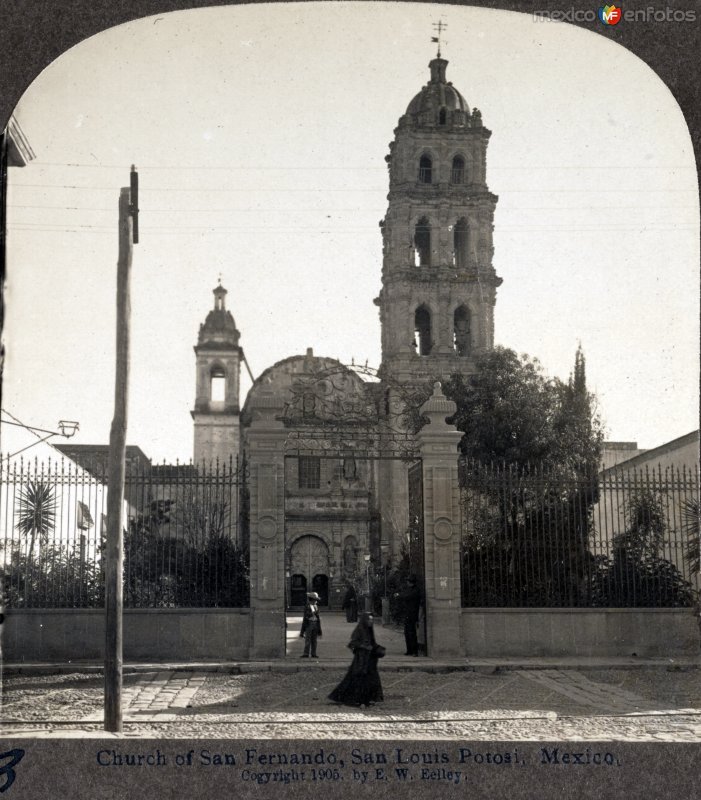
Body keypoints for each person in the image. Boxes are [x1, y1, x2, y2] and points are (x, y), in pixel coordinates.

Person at [328, 612, 384, 707]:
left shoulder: (369, 630)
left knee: (371, 679)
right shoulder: (359, 630)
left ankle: (369, 698)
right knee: (358, 678)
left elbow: (372, 642)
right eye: (369, 620)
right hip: (361, 660)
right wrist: (364, 647)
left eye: (372, 620)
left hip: (369, 660)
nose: (371, 622)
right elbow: (352, 644)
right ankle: (358, 699)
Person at [399, 575, 422, 656]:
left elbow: (406, 596)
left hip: (412, 614)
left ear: (411, 582)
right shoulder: (410, 589)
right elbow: (404, 595)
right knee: (407, 632)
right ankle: (409, 650)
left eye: (408, 581)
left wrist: (400, 595)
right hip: (408, 613)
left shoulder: (415, 590)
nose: (407, 582)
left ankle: (414, 651)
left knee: (412, 633)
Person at [299, 591, 322, 658]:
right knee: (308, 640)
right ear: (312, 600)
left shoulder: (316, 606)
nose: (316, 601)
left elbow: (318, 618)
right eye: (316, 600)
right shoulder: (307, 606)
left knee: (314, 640)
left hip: (315, 624)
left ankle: (313, 653)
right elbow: (306, 616)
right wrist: (314, 613)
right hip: (309, 624)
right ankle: (306, 653)